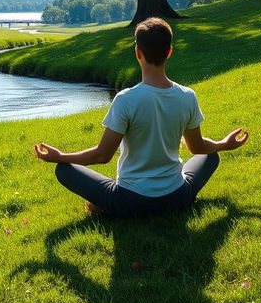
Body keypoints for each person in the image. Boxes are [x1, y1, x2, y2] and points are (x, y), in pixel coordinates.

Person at [34, 16, 248, 218]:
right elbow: (198, 147)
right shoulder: (187, 96)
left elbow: (102, 155)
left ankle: (106, 205)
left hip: (130, 201)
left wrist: (60, 156)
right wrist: (223, 144)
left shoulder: (126, 99)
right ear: (169, 52)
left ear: (138, 52)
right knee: (211, 154)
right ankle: (115, 204)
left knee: (64, 170)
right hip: (178, 197)